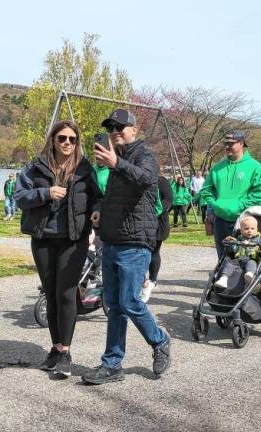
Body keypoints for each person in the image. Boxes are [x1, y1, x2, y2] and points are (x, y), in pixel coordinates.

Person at [82, 109, 171, 385]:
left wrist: (115, 162)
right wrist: (99, 211)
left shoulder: (144, 155)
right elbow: (110, 197)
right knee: (115, 306)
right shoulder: (112, 161)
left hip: (135, 243)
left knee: (130, 301)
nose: (115, 131)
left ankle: (160, 341)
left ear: (134, 129)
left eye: (121, 127)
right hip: (111, 240)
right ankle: (112, 364)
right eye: (111, 128)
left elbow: (146, 179)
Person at [13, 120, 102, 378]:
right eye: (62, 138)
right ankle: (55, 347)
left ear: (77, 142)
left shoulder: (85, 168)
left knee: (66, 292)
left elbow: (97, 197)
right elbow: (19, 197)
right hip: (43, 238)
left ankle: (65, 352)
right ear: (53, 140)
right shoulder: (35, 166)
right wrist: (46, 192)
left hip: (73, 239)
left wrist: (97, 210)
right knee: (51, 292)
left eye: (72, 139)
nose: (67, 143)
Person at [199, 130, 261, 259]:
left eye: (231, 143)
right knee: (223, 259)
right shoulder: (217, 167)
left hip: (244, 222)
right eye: (225, 144)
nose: (227, 146)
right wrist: (216, 205)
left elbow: (259, 194)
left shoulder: (254, 167)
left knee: (244, 259)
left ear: (241, 143)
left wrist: (239, 206)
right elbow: (206, 190)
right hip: (220, 221)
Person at [143, 169, 173, 303]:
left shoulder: (161, 181)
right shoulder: (140, 179)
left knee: (154, 250)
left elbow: (168, 199)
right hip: (142, 220)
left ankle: (152, 279)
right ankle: (141, 279)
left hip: (158, 221)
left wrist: (157, 210)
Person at [214, 216, 261, 289]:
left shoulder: (259, 239)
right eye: (246, 229)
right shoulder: (238, 238)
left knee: (252, 263)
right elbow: (233, 250)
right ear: (241, 230)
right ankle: (223, 278)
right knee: (228, 262)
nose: (249, 231)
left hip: (251, 259)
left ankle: (250, 274)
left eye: (252, 228)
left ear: (257, 229)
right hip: (238, 260)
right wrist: (230, 243)